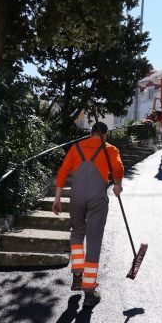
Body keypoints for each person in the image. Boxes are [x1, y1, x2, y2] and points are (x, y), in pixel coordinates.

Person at [52, 122, 124, 308]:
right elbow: (118, 168)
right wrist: (117, 185)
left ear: (90, 133)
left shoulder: (76, 147)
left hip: (76, 198)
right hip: (96, 200)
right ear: (105, 135)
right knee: (93, 240)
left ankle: (77, 275)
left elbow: (62, 172)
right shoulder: (110, 149)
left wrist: (57, 199)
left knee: (77, 233)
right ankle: (89, 292)